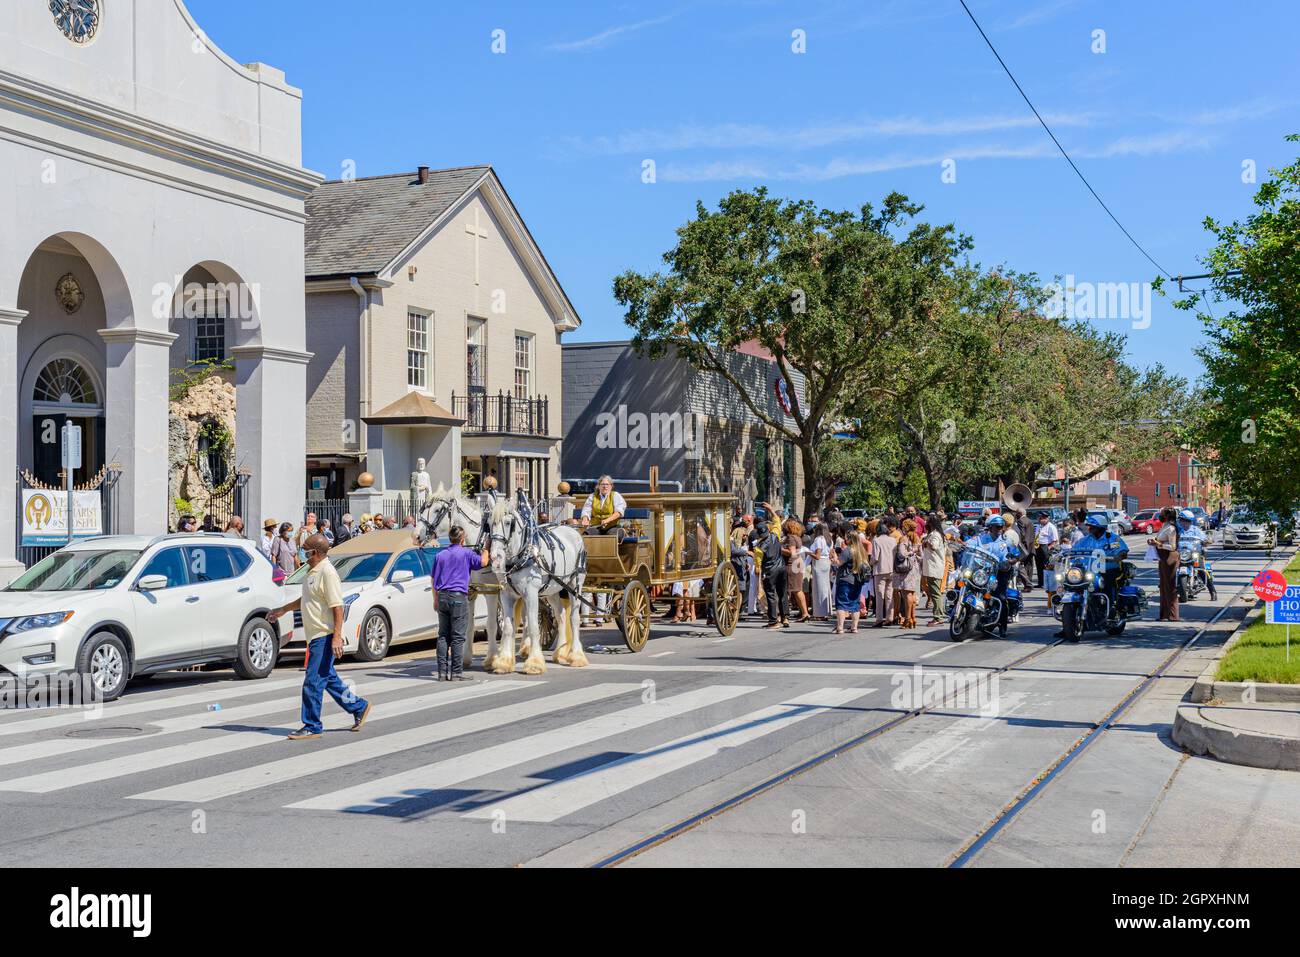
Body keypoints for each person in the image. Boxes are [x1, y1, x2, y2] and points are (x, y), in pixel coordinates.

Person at [266, 534, 372, 740]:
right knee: (329, 679)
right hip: (314, 635)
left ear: (314, 552)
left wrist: (337, 637)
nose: (302, 551)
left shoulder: (327, 572)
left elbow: (337, 607)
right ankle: (359, 707)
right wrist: (283, 610)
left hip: (324, 635)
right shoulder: (312, 571)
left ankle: (312, 725)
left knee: (313, 681)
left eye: (305, 549)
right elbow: (306, 599)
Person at [430, 525, 489, 680]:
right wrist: (486, 548)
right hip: (458, 597)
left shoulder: (440, 555)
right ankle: (456, 672)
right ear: (462, 539)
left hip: (442, 596)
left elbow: (434, 580)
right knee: (457, 636)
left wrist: (435, 599)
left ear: (450, 538)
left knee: (443, 635)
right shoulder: (466, 553)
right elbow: (483, 562)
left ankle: (442, 672)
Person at [750, 517, 788, 629]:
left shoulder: (759, 547)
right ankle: (785, 617)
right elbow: (777, 522)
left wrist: (758, 571)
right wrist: (771, 510)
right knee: (782, 593)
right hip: (782, 567)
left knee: (770, 595)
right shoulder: (775, 535)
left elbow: (758, 563)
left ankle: (773, 621)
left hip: (770, 571)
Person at [831, 526, 869, 634]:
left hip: (845, 579)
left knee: (841, 603)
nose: (844, 539)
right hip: (858, 579)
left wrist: (834, 557)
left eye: (846, 538)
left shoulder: (848, 550)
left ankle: (840, 627)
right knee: (855, 603)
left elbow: (838, 563)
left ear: (849, 539)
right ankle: (854, 627)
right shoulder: (861, 550)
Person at [1153, 505, 1181, 621]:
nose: (1160, 515)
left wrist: (1159, 544)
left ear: (1167, 516)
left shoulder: (1171, 528)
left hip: (1170, 558)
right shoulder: (1165, 526)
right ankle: (1164, 615)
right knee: (1163, 586)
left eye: (1162, 513)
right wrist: (1154, 542)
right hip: (1163, 558)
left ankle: (1173, 615)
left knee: (1170, 587)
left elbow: (1173, 546)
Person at [895, 519, 922, 630]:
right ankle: (913, 618)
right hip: (915, 568)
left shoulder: (904, 539)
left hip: (905, 568)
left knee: (906, 594)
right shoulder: (917, 538)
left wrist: (910, 552)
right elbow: (922, 556)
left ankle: (907, 619)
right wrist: (915, 556)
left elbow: (901, 554)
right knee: (912, 593)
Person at [871, 519, 898, 627]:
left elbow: (875, 557)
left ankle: (879, 619)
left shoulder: (876, 540)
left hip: (880, 570)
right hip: (892, 569)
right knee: (889, 595)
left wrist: (870, 563)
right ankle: (889, 617)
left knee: (879, 595)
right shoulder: (893, 540)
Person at [922, 513, 947, 626]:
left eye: (927, 522)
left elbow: (934, 546)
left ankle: (938, 617)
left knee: (936, 593)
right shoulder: (934, 534)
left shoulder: (935, 535)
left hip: (934, 567)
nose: (926, 523)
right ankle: (938, 615)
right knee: (935, 592)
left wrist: (926, 542)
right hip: (932, 566)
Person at [784, 519, 810, 623]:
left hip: (792, 564)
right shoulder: (798, 538)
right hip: (798, 563)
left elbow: (792, 553)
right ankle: (805, 612)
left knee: (794, 589)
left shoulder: (790, 538)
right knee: (798, 589)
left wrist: (778, 548)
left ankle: (803, 612)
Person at [808, 523, 832, 619]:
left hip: (819, 563)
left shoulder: (818, 539)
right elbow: (831, 553)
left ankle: (820, 613)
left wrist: (808, 552)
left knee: (818, 588)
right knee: (826, 588)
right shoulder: (829, 539)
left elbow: (817, 556)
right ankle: (826, 610)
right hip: (826, 562)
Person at [1033, 512, 1060, 588]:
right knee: (1039, 565)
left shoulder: (1051, 527)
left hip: (1045, 546)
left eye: (1042, 518)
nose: (1040, 520)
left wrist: (1048, 548)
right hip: (1038, 546)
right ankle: (1040, 582)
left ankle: (1046, 583)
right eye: (1039, 518)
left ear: (1046, 519)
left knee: (1046, 566)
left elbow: (1055, 540)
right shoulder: (1039, 526)